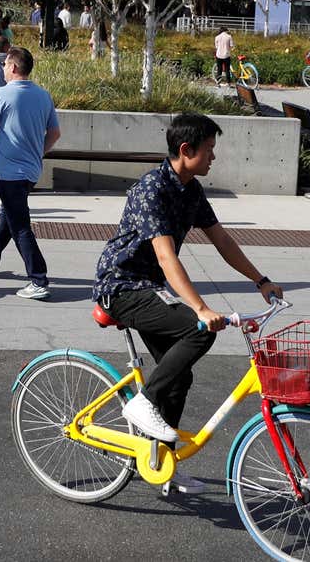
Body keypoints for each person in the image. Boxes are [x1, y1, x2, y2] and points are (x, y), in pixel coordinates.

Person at [93, 113, 285, 491]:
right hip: (122, 286)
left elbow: (222, 241)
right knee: (199, 333)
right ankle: (142, 403)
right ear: (186, 150)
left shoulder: (191, 190)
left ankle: (162, 460)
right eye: (209, 150)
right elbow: (167, 258)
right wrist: (200, 308)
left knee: (179, 376)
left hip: (151, 288)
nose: (214, 157)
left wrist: (260, 280)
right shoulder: (152, 190)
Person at [0, 47, 59, 300]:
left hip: (10, 173)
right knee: (9, 216)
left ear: (13, 67)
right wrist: (38, 152)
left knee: (21, 227)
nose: (2, 68)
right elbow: (55, 133)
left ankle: (38, 279)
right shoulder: (43, 96)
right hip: (30, 172)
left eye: (5, 64)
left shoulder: (1, 95)